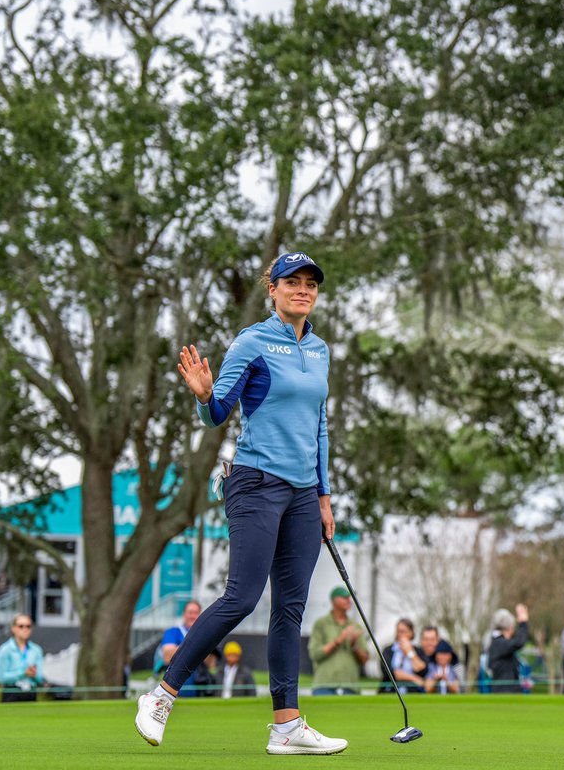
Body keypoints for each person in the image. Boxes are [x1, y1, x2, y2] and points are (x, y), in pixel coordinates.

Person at [135, 250, 347, 756]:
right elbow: (217, 414)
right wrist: (205, 396)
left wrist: (324, 495)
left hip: (301, 495)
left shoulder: (320, 350)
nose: (302, 289)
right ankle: (160, 696)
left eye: (310, 284)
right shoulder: (252, 341)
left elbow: (319, 425)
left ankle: (287, 726)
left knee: (290, 608)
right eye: (291, 282)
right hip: (255, 482)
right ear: (271, 289)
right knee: (242, 597)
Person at [309, 585, 368, 695]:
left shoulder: (356, 626)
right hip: (324, 685)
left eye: (349, 598)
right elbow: (315, 654)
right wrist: (339, 640)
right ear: (333, 601)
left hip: (350, 686)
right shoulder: (321, 624)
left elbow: (364, 660)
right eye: (344, 597)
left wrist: (354, 645)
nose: (348, 600)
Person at [0, 614, 46, 703]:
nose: (25, 629)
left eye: (28, 626)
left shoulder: (36, 650)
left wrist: (33, 674)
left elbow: (39, 677)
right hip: (12, 693)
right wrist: (23, 673)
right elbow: (1, 678)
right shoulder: (5, 650)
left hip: (30, 692)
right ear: (13, 628)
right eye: (21, 626)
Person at [486, 605, 530, 693]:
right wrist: (523, 623)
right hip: (504, 692)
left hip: (507, 690)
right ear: (510, 627)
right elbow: (519, 642)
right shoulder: (499, 643)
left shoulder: (499, 643)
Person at [380, 619, 426, 694]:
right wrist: (414, 678)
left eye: (403, 631)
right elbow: (389, 672)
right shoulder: (388, 650)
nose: (399, 634)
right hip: (390, 691)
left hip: (413, 693)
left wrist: (410, 652)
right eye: (398, 631)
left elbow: (422, 669)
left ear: (411, 633)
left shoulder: (418, 651)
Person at [156, 600, 201, 675]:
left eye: (196, 613)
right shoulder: (173, 632)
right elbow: (168, 657)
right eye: (190, 612)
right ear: (184, 614)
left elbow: (211, 663)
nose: (193, 616)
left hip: (200, 682)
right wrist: (197, 648)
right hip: (175, 680)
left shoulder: (202, 633)